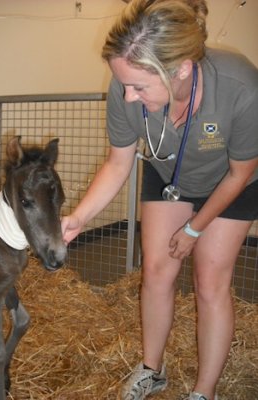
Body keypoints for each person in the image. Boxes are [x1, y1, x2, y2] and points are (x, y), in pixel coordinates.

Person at [61, 0, 258, 399]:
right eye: (124, 85)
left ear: (181, 68)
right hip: (170, 175)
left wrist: (193, 229)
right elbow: (118, 164)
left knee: (210, 283)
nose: (128, 96)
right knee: (155, 271)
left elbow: (241, 172)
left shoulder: (240, 86)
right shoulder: (123, 88)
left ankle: (204, 391)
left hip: (231, 181)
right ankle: (153, 370)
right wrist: (80, 216)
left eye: (140, 86)